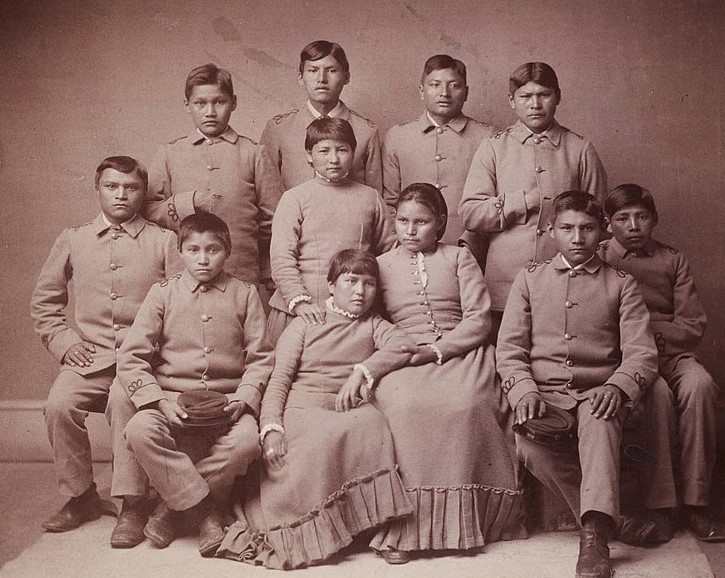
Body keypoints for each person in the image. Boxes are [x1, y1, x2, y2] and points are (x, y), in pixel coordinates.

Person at [496, 190, 659, 578]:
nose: (577, 237)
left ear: (602, 231)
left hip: (597, 390)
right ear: (551, 231)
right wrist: (524, 390)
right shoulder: (530, 279)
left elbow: (642, 353)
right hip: (545, 392)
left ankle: (594, 540)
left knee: (600, 424)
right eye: (567, 228)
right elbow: (509, 349)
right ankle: (614, 517)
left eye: (587, 229)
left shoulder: (621, 284)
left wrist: (618, 387)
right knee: (530, 448)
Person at [218, 249, 414, 569]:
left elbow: (403, 345)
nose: (360, 291)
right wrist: (271, 428)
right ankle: (314, 534)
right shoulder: (306, 323)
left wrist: (362, 371)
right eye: (350, 281)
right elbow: (278, 380)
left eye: (369, 284)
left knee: (371, 424)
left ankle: (360, 526)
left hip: (347, 407)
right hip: (303, 407)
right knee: (317, 445)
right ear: (331, 286)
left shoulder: (373, 324)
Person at [369, 183, 525, 564]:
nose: (409, 230)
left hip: (462, 352)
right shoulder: (381, 263)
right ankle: (406, 529)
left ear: (439, 224)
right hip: (403, 355)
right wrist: (400, 349)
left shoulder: (459, 258)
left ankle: (467, 525)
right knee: (404, 407)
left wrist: (439, 349)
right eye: (402, 220)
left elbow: (479, 320)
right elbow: (373, 320)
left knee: (466, 404)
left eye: (420, 222)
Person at [30, 156, 181, 541]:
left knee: (123, 401)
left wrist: (156, 352)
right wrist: (66, 343)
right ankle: (80, 496)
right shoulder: (73, 238)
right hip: (89, 358)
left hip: (144, 362)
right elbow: (45, 302)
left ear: (142, 192)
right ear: (97, 189)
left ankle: (133, 504)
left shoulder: (163, 240)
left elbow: (182, 304)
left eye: (130, 188)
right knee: (59, 405)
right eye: (111, 187)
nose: (121, 195)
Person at [116, 213, 274, 557]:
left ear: (228, 251)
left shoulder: (245, 294)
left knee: (247, 443)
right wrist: (158, 403)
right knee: (139, 430)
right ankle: (203, 511)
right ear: (181, 251)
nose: (203, 259)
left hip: (226, 401)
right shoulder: (162, 294)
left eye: (213, 249)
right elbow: (131, 358)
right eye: (193, 249)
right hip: (172, 399)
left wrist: (244, 399)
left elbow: (261, 358)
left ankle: (170, 509)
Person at [600, 184, 725, 541]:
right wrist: (634, 344)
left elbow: (692, 323)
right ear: (609, 224)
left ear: (654, 220)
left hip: (671, 354)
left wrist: (648, 334)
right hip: (625, 359)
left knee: (700, 386)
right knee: (655, 396)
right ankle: (663, 506)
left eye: (641, 217)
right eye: (623, 218)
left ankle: (697, 503)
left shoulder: (673, 260)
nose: (633, 225)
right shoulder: (599, 258)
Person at [459, 62, 608, 335]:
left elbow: (600, 223)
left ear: (558, 97)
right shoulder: (494, 147)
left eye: (544, 95)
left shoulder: (579, 149)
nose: (535, 104)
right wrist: (522, 201)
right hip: (505, 284)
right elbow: (470, 213)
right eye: (525, 96)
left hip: (567, 282)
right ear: (512, 101)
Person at [144, 63, 283, 290]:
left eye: (219, 102)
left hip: (241, 275)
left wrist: (268, 270)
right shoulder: (169, 153)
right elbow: (146, 210)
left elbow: (275, 219)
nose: (210, 112)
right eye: (200, 103)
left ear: (233, 102)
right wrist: (187, 204)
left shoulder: (254, 153)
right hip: (183, 277)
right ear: (187, 105)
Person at [267, 116, 394, 344]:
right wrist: (300, 301)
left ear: (353, 153)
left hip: (356, 311)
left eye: (342, 150)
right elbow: (282, 258)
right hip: (304, 311)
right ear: (309, 155)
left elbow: (390, 253)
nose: (334, 159)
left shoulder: (370, 197)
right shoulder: (294, 198)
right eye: (324, 151)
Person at [382, 54, 496, 243]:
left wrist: (470, 245)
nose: (445, 93)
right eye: (435, 85)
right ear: (421, 90)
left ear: (466, 92)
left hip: (470, 246)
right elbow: (389, 203)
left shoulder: (487, 137)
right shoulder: (397, 136)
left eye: (454, 85)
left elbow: (491, 203)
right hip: (410, 247)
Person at [261, 40, 382, 192]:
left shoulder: (366, 131)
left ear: (346, 77)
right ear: (300, 77)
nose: (322, 79)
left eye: (331, 71)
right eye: (313, 71)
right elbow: (267, 192)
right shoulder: (279, 129)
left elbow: (374, 194)